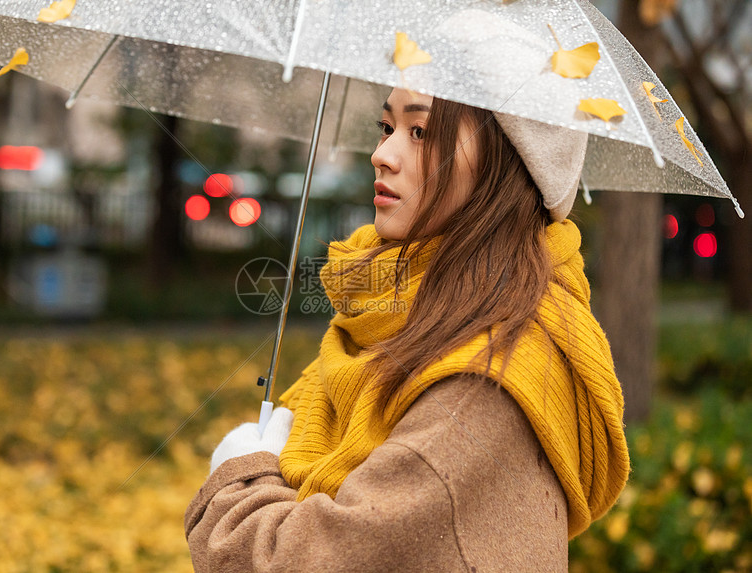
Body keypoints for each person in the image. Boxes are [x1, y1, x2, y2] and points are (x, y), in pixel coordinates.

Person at [184, 88, 630, 572]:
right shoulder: (394, 315)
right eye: (386, 128)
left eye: (421, 133)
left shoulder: (484, 380)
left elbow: (302, 562)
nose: (382, 155)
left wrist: (241, 480)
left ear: (506, 167)